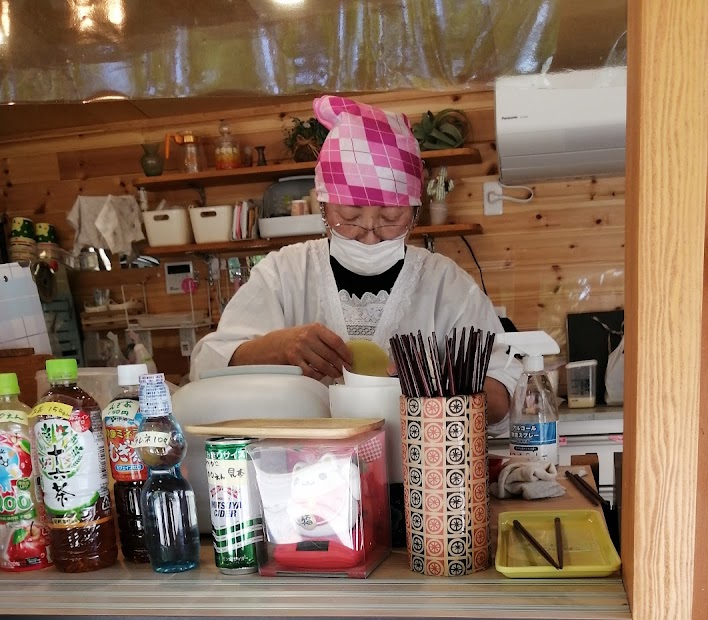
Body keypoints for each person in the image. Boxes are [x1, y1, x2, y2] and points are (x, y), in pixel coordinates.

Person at [190, 95, 520, 434]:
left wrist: (433, 382)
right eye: (350, 217)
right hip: (301, 463)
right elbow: (208, 364)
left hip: (423, 462)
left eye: (391, 218)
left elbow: (504, 392)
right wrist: (280, 347)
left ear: (415, 212)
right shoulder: (284, 273)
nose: (370, 233)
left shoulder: (445, 283)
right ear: (323, 207)